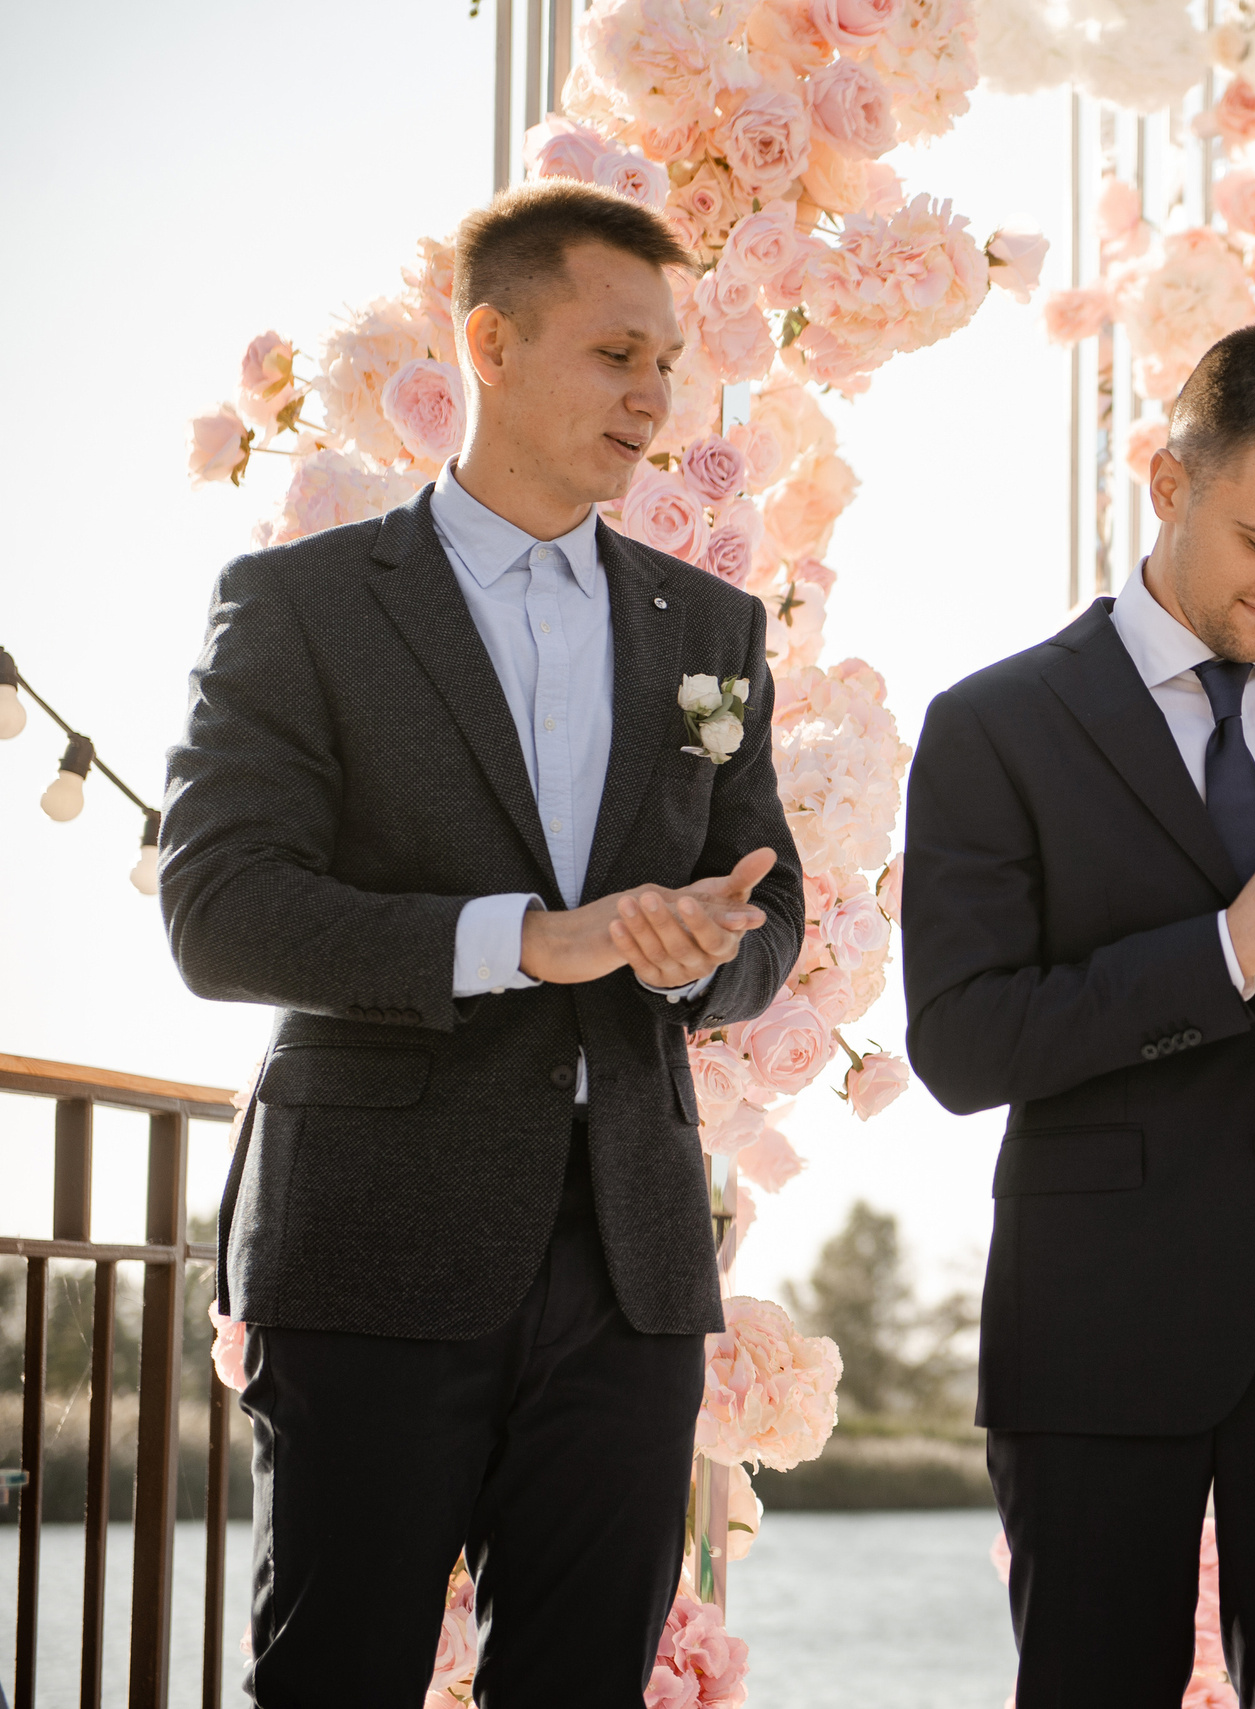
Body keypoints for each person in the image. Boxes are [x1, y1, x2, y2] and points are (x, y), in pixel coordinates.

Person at [158, 180, 803, 1706]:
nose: (654, 398)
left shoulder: (712, 630)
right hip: (375, 1244)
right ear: (491, 344)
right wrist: (532, 939)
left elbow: (766, 915)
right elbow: (219, 908)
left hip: (633, 1257)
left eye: (670, 364)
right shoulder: (302, 605)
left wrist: (702, 949)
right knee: (336, 1676)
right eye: (616, 355)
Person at [901, 323, 1255, 1708]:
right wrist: (1224, 949)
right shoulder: (996, 725)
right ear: (1170, 479)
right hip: (1098, 1322)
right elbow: (963, 1042)